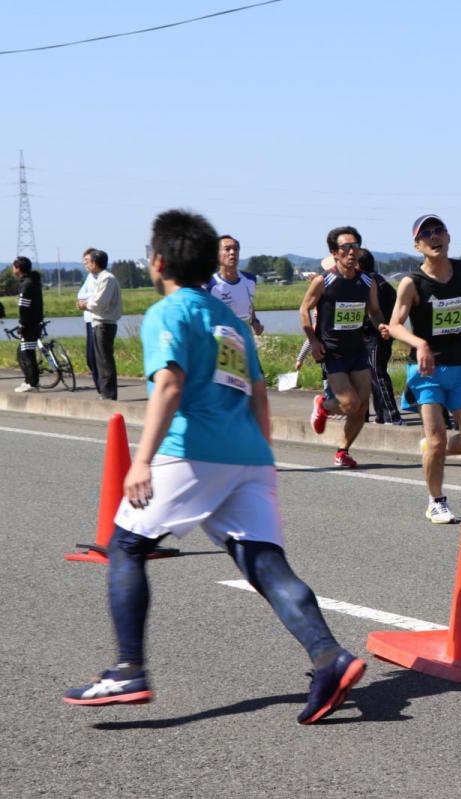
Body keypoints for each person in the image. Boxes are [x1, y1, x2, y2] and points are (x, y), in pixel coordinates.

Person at [62, 209, 365, 724]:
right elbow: (259, 394)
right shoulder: (230, 323)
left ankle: (128, 669)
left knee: (127, 545)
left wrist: (140, 462)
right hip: (247, 454)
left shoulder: (169, 311)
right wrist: (261, 458)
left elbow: (171, 385)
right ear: (208, 263)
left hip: (193, 449)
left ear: (158, 262)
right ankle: (329, 656)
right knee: (265, 564)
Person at [384, 214, 461, 524]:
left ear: (448, 236)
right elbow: (394, 325)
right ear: (417, 245)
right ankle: (436, 501)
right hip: (427, 372)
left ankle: (432, 450)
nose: (434, 237)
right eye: (426, 234)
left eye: (438, 230)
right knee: (439, 438)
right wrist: (420, 344)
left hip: (460, 367)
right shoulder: (411, 283)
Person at [300, 226, 386, 468]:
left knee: (362, 405)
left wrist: (381, 326)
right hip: (332, 352)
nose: (351, 252)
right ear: (334, 253)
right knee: (350, 404)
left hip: (357, 350)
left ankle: (343, 451)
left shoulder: (367, 281)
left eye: (355, 246)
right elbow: (304, 309)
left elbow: (375, 311)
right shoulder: (324, 280)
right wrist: (314, 341)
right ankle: (323, 405)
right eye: (346, 247)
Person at [357, 248, 402, 424]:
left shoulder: (371, 283)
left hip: (376, 336)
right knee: (371, 376)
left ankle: (392, 415)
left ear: (360, 265)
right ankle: (379, 416)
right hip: (380, 335)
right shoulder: (382, 282)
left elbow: (376, 312)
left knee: (377, 373)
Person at [76, 248, 122, 400]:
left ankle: (108, 394)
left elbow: (99, 303)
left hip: (104, 323)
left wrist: (85, 305)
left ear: (95, 262)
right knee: (99, 360)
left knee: (104, 360)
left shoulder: (106, 278)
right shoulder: (97, 277)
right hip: (99, 322)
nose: (86, 265)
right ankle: (105, 392)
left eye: (88, 262)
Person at [205, 235, 264, 335]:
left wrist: (254, 321)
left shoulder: (250, 280)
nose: (232, 252)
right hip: (220, 339)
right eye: (227, 249)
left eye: (235, 249)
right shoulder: (209, 284)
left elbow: (249, 302)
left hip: (245, 336)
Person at [11, 256, 42, 393]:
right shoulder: (33, 281)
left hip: (29, 324)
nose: (13, 270)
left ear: (18, 268)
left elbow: (23, 308)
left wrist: (22, 325)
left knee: (28, 355)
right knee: (27, 353)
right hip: (34, 322)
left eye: (14, 267)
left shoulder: (26, 284)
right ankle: (29, 381)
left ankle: (32, 383)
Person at [77, 263, 100, 393]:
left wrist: (86, 301)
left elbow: (97, 297)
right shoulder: (89, 277)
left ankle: (103, 388)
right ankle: (100, 387)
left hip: (97, 320)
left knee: (96, 357)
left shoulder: (102, 278)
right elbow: (80, 294)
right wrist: (87, 298)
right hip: (88, 319)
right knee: (90, 358)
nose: (85, 264)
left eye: (88, 261)